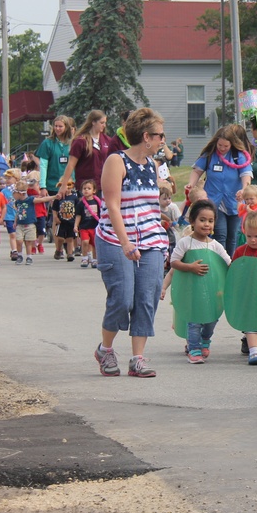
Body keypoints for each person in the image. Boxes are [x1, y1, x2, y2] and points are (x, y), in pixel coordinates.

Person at [93, 108, 169, 378]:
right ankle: (106, 349)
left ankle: (137, 358)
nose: (164, 140)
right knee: (122, 299)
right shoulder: (116, 161)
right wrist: (125, 243)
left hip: (150, 239)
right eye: (160, 135)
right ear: (146, 136)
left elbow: (146, 205)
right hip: (115, 238)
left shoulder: (153, 166)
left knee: (146, 298)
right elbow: (112, 205)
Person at [170, 199, 232, 364]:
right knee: (194, 319)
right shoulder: (186, 243)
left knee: (211, 319)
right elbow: (174, 262)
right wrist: (190, 267)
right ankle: (194, 348)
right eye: (202, 220)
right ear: (192, 221)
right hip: (192, 290)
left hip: (211, 292)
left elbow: (228, 263)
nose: (206, 224)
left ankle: (205, 339)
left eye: (210, 221)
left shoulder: (215, 246)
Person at [185, 125, 253, 257]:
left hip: (234, 202)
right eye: (220, 145)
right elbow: (197, 171)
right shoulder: (210, 155)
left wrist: (244, 189)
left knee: (233, 235)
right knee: (221, 233)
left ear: (232, 144)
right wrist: (190, 184)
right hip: (215, 202)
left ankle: (231, 261)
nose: (222, 148)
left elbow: (246, 175)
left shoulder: (238, 156)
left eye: (225, 146)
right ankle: (221, 260)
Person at [232, 210, 257, 365]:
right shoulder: (240, 251)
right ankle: (253, 350)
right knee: (251, 323)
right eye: (249, 236)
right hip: (248, 295)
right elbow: (233, 271)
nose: (253, 240)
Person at [57, 110, 112, 196]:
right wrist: (64, 185)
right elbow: (71, 164)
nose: (104, 125)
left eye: (105, 123)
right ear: (93, 122)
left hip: (103, 185)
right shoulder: (81, 141)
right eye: (102, 123)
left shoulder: (107, 140)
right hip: (85, 187)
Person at [74, 179, 104, 269]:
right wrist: (76, 225)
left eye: (89, 188)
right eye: (84, 188)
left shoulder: (98, 202)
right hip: (84, 227)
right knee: (85, 242)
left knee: (95, 243)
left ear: (94, 191)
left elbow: (102, 214)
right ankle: (85, 257)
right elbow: (78, 215)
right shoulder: (80, 203)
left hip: (95, 226)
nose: (86, 190)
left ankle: (95, 259)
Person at [52, 180, 79, 261]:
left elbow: (77, 209)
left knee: (70, 238)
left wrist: (77, 222)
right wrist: (55, 217)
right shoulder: (59, 198)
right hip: (61, 221)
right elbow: (54, 209)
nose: (67, 188)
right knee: (60, 238)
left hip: (71, 221)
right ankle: (58, 250)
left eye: (69, 186)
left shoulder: (74, 197)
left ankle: (70, 254)